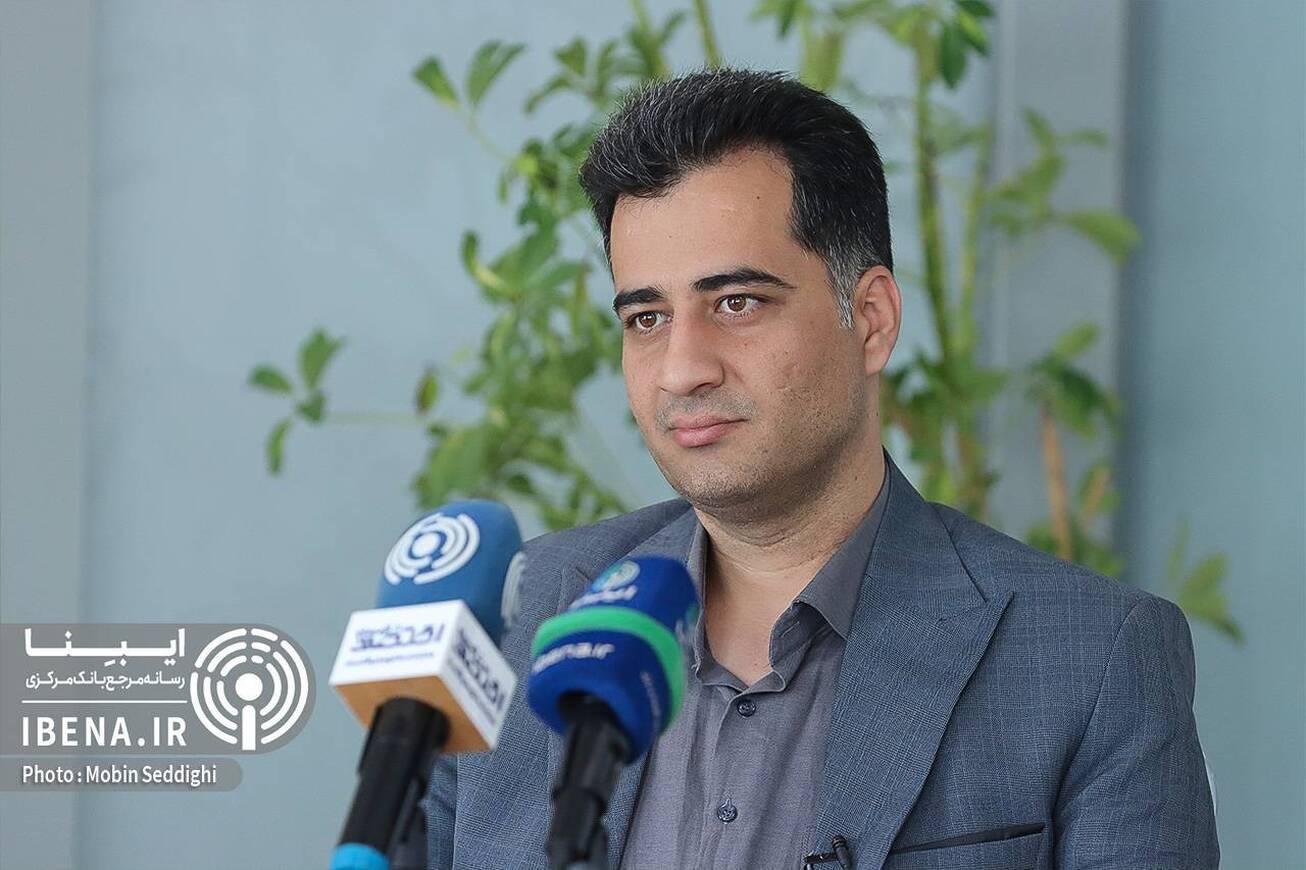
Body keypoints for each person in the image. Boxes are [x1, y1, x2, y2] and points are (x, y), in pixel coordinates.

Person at [423, 68, 1219, 870]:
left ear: (871, 320)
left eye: (737, 302)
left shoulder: (1091, 659)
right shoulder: (521, 619)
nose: (682, 369)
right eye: (648, 317)